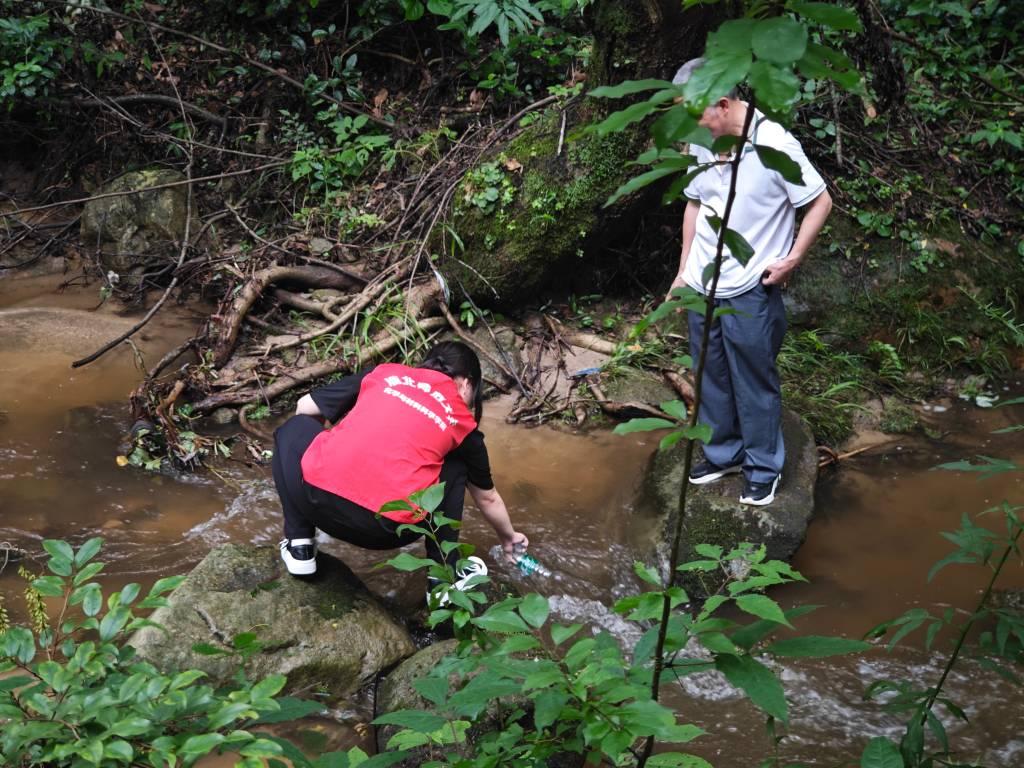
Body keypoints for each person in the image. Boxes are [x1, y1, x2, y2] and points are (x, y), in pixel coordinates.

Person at [666, 58, 833, 507]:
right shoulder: (704, 141)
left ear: (722, 103)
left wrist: (793, 257)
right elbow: (695, 206)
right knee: (711, 374)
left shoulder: (774, 143)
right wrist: (683, 271)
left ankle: (763, 467)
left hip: (750, 287)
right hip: (704, 282)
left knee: (753, 380)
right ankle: (723, 454)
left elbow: (820, 201)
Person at [271, 340, 528, 597]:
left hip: (312, 499)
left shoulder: (385, 373)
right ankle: (442, 580)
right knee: (456, 466)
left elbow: (305, 407)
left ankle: (300, 545)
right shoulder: (461, 421)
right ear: (466, 383)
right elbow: (487, 497)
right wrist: (508, 538)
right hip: (385, 532)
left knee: (296, 426)